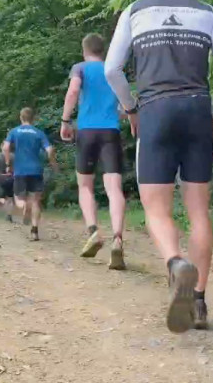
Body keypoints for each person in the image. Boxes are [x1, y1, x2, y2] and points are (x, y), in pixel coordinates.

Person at [104, 0, 213, 333]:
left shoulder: (136, 11)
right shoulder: (208, 11)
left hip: (155, 110)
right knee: (199, 211)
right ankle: (198, 302)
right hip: (197, 109)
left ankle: (175, 263)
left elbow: (111, 69)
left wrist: (130, 109)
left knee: (156, 208)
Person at [60, 33, 127, 271]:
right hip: (111, 132)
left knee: (86, 186)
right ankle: (117, 238)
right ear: (104, 49)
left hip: (87, 131)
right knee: (114, 187)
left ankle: (94, 232)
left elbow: (73, 92)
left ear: (84, 49)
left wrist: (65, 120)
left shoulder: (80, 68)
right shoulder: (113, 70)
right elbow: (125, 105)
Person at [3, 107, 57, 241]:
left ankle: (25, 206)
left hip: (20, 170)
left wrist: (8, 164)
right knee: (36, 201)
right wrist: (52, 163)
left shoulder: (14, 131)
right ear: (33, 118)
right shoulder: (39, 133)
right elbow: (49, 150)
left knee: (18, 199)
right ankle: (34, 231)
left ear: (21, 117)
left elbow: (5, 147)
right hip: (36, 170)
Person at [0, 134, 15, 223]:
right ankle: (9, 214)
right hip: (12, 177)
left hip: (1, 178)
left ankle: (6, 211)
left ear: (2, 146)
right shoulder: (13, 156)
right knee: (10, 198)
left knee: (1, 198)